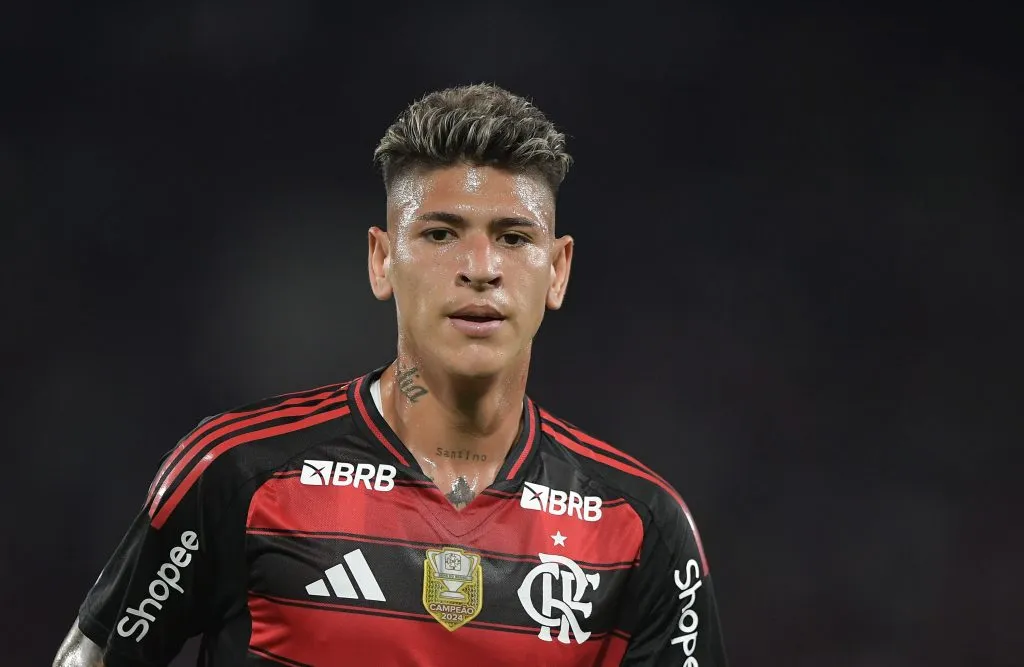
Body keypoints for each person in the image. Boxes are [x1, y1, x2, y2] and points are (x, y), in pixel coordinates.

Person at [53, 83, 728, 667]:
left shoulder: (640, 527)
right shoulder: (238, 474)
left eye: (515, 237)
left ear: (557, 269)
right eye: (440, 233)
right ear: (382, 260)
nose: (480, 266)